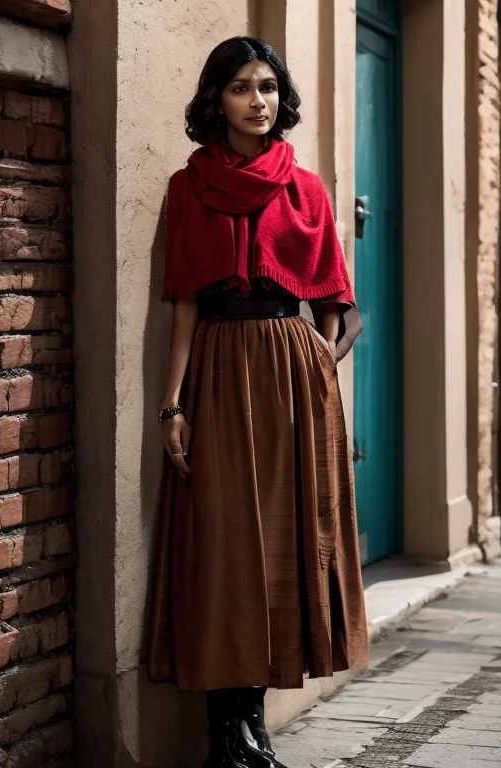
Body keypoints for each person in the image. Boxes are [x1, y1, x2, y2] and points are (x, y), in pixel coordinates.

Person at [148, 36, 369, 768]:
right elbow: (183, 303)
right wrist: (171, 407)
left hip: (290, 377)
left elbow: (335, 300)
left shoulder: (305, 189)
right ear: (218, 99)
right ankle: (222, 733)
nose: (259, 101)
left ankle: (253, 729)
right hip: (218, 369)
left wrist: (316, 364)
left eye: (269, 87)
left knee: (279, 549)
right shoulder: (190, 187)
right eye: (242, 88)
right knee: (222, 550)